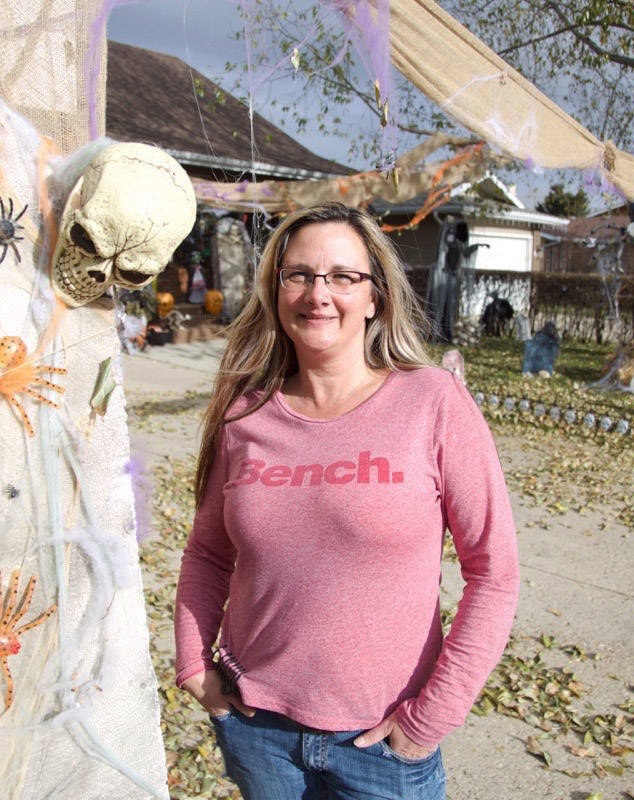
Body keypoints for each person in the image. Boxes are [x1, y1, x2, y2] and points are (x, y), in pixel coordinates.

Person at [174, 203, 519, 799]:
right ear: (276, 290)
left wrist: (430, 720)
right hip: (259, 733)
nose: (318, 294)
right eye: (299, 274)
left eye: (342, 276)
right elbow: (207, 554)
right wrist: (193, 666)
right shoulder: (245, 414)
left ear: (376, 297)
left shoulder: (432, 402)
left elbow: (494, 572)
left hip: (382, 746)